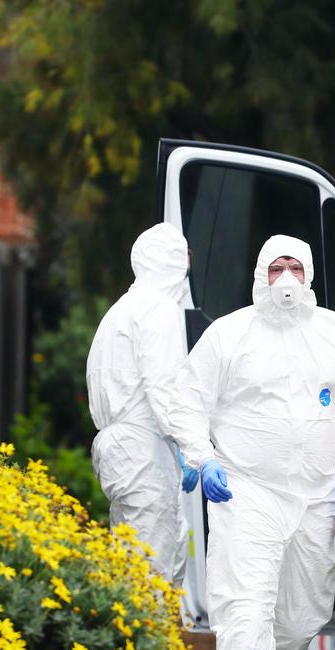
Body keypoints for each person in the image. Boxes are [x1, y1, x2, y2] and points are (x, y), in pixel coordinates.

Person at [169, 234, 335, 650]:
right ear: (260, 274)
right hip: (247, 489)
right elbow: (188, 400)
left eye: (295, 267)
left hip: (318, 495)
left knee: (302, 613)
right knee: (247, 600)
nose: (285, 278)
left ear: (308, 275)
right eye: (275, 268)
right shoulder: (229, 335)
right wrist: (204, 457)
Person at [86, 222, 199, 587]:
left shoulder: (122, 308)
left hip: (121, 450)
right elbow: (163, 387)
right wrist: (192, 446)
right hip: (143, 452)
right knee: (149, 576)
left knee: (130, 565)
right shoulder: (158, 310)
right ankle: (145, 645)